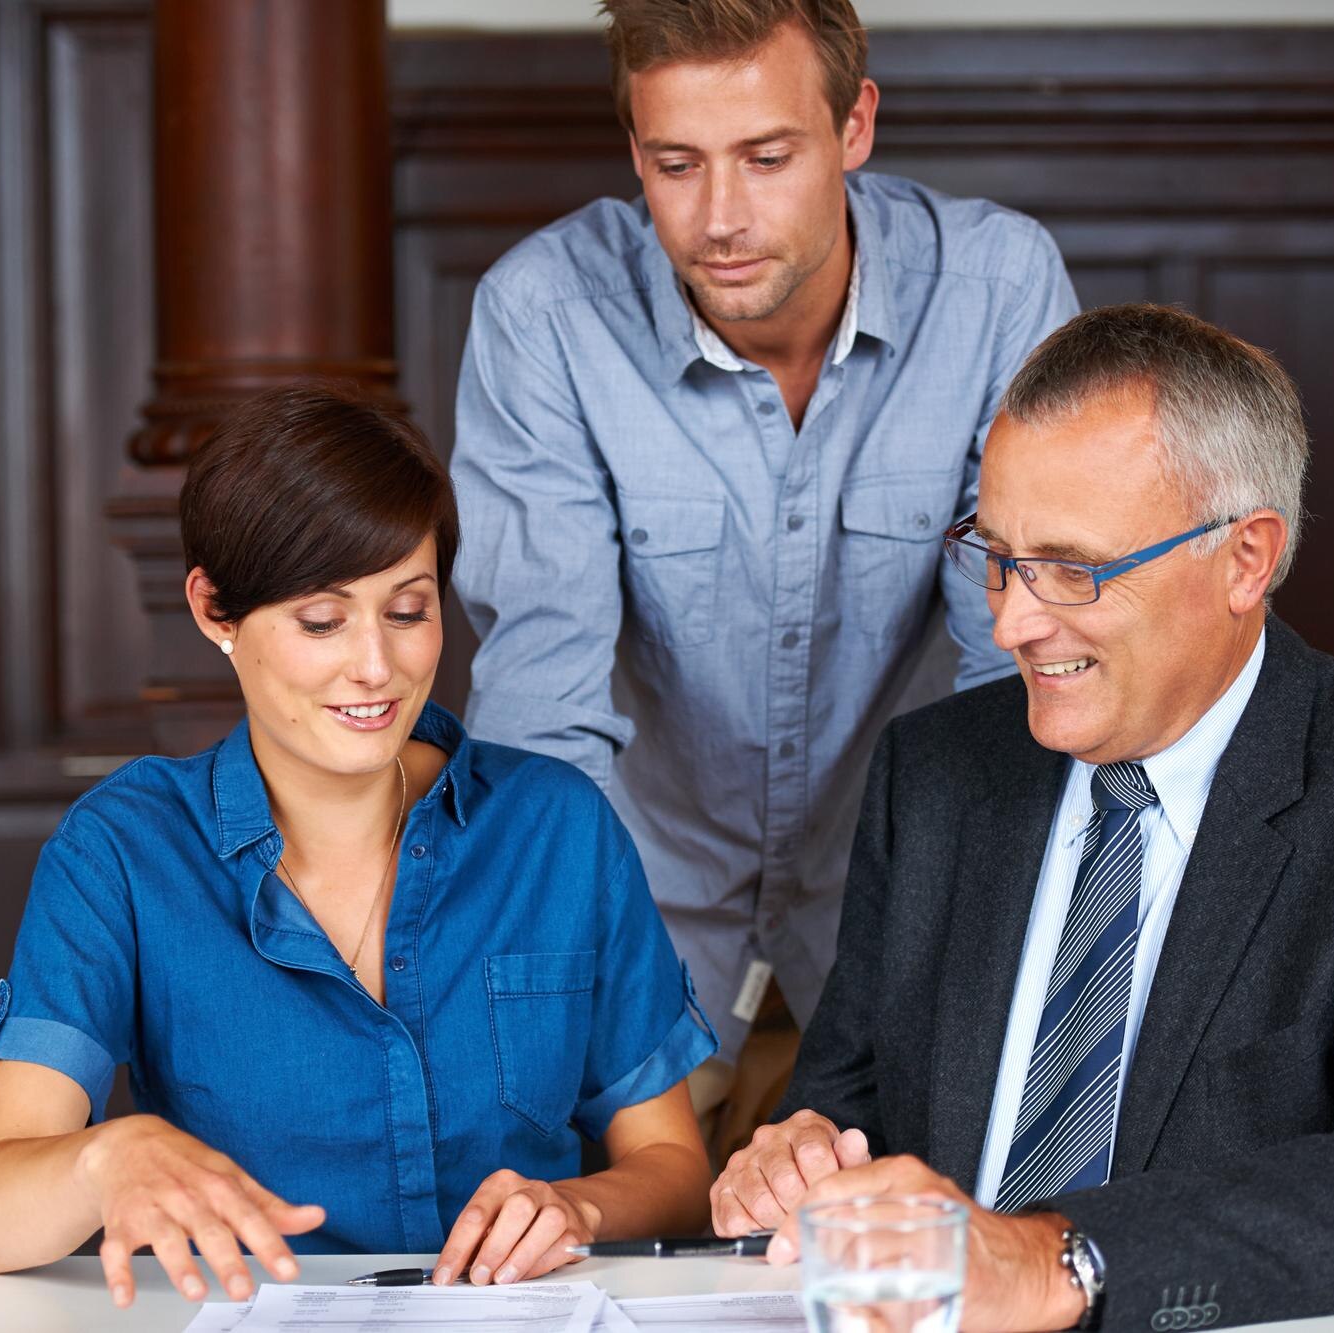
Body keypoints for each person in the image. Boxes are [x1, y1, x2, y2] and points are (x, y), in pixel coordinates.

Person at [711, 304, 1334, 1330]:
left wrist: (1058, 1261)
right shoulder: (932, 773)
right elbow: (847, 1106)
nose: (1011, 620)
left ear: (1244, 559)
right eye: (997, 553)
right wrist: (795, 1155)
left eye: (1073, 568)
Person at [449, 0, 1079, 1126]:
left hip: (900, 905)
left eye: (767, 157)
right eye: (674, 164)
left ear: (854, 127)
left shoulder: (993, 289)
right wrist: (582, 1002)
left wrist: (973, 980)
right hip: (641, 914)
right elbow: (540, 704)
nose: (718, 219)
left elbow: (1019, 661)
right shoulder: (542, 314)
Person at [0, 383, 716, 1308]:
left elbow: (673, 1166)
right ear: (214, 611)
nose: (376, 667)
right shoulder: (124, 849)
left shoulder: (555, 825)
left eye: (408, 609)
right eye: (322, 620)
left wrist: (578, 1208)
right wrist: (105, 1156)